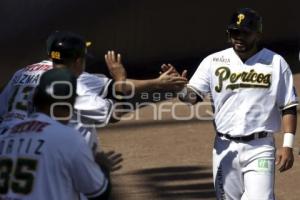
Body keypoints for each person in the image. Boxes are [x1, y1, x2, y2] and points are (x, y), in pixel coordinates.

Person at [179, 8, 298, 199]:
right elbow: (192, 96)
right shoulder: (214, 61)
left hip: (260, 147)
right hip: (224, 148)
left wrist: (288, 145)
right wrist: (178, 89)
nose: (239, 37)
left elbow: (289, 106)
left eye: (246, 32)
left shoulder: (275, 62)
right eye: (235, 32)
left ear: (258, 34)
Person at [0, 68, 110, 200]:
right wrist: (103, 167)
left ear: (34, 99)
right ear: (71, 104)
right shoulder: (68, 138)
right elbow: (98, 193)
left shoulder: (6, 137)